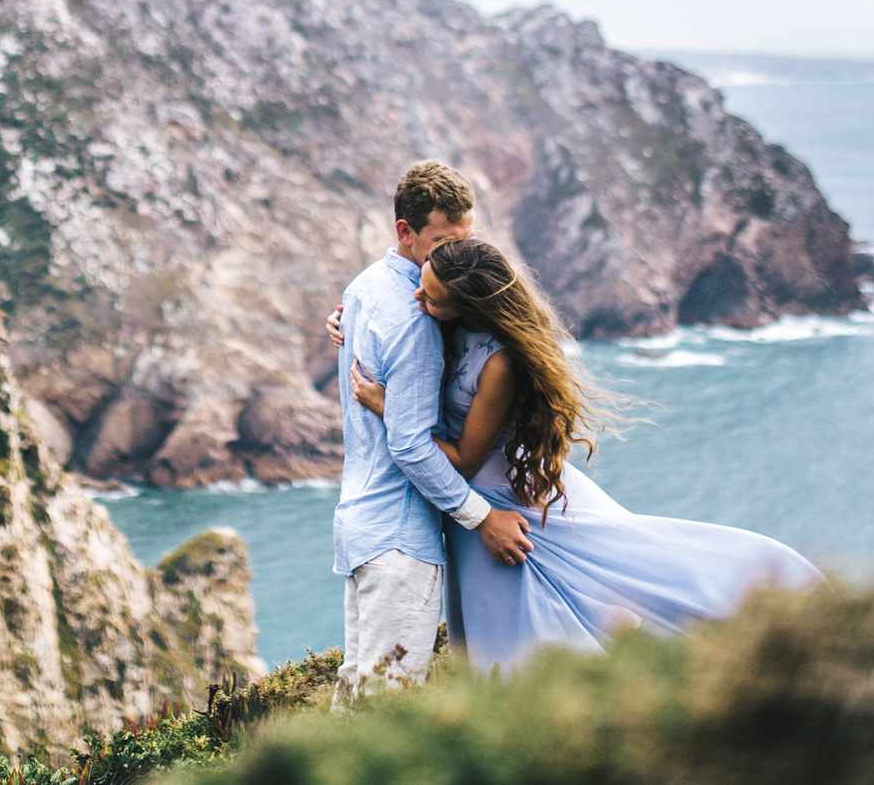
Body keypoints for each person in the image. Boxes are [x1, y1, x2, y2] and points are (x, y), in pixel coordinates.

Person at [339, 234, 823, 674]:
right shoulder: (450, 326)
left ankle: (753, 618)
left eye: (430, 298)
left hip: (498, 504)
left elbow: (465, 459)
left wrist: (389, 408)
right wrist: (349, 321)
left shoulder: (499, 361)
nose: (417, 301)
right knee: (503, 637)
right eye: (421, 286)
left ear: (468, 304)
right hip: (474, 507)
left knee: (522, 636)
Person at [331, 162, 535, 703]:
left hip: (361, 523)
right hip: (400, 539)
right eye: (444, 243)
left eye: (465, 240)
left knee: (355, 698)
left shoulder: (363, 287)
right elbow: (410, 445)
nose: (456, 255)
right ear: (406, 231)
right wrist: (483, 517)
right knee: (388, 706)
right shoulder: (418, 319)